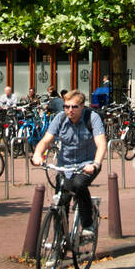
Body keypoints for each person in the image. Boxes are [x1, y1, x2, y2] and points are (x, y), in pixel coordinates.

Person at [32, 90, 106, 236]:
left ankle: (87, 224)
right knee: (61, 201)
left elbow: (101, 144)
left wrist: (95, 164)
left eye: (74, 107)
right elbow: (46, 140)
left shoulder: (92, 118)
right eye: (66, 107)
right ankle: (59, 244)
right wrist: (37, 154)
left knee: (78, 185)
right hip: (64, 166)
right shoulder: (60, 118)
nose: (69, 110)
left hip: (87, 164)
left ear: (82, 107)